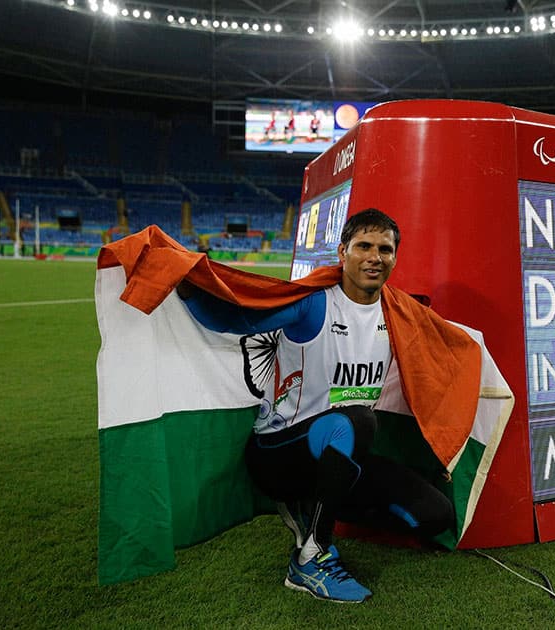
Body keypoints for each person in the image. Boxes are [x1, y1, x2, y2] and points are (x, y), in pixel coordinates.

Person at [177, 209, 454, 603]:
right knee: (358, 420)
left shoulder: (397, 313)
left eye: (385, 249)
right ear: (343, 252)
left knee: (434, 516)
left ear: (395, 257)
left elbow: (434, 368)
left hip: (337, 451)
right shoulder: (314, 305)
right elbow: (237, 319)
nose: (374, 256)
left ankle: (316, 506)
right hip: (278, 454)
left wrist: (438, 448)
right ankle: (311, 556)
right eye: (363, 246)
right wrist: (185, 286)